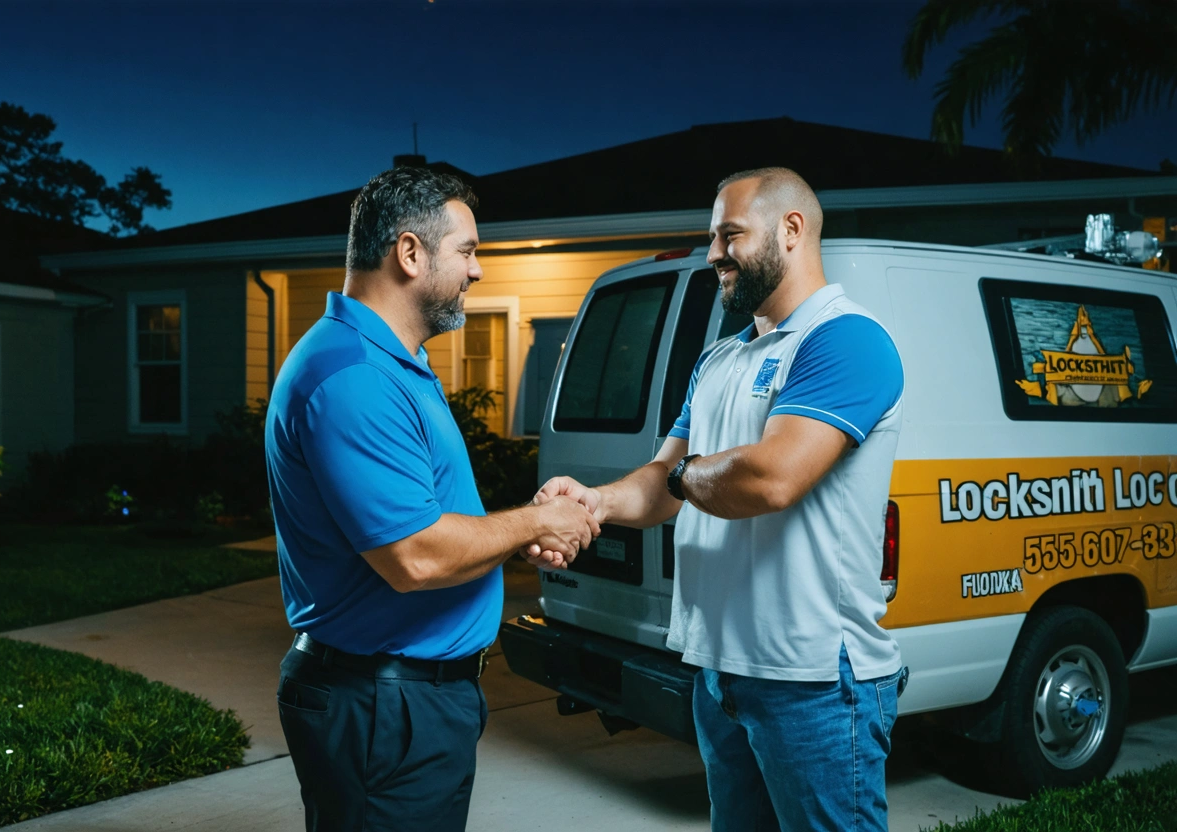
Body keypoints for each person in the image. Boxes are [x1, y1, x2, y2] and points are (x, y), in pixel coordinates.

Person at [528, 167, 907, 831]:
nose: (712, 254)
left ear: (791, 230)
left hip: (815, 679)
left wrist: (679, 477)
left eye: (730, 235)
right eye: (712, 237)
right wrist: (593, 504)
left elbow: (770, 478)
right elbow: (664, 477)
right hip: (720, 670)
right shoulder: (719, 360)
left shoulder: (845, 339)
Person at [265, 166, 598, 832]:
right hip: (383, 705)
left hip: (405, 699)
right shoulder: (354, 375)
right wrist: (535, 522)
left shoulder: (391, 362)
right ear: (410, 253)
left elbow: (430, 519)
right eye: (467, 250)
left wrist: (522, 531)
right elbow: (414, 555)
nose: (478, 270)